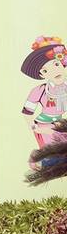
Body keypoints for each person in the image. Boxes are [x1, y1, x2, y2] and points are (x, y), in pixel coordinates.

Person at [20, 36, 67, 169]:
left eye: (56, 65)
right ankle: (37, 162)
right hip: (44, 124)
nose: (55, 71)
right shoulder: (40, 90)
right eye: (46, 70)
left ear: (63, 64)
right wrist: (36, 128)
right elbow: (27, 113)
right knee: (55, 153)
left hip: (61, 124)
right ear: (42, 75)